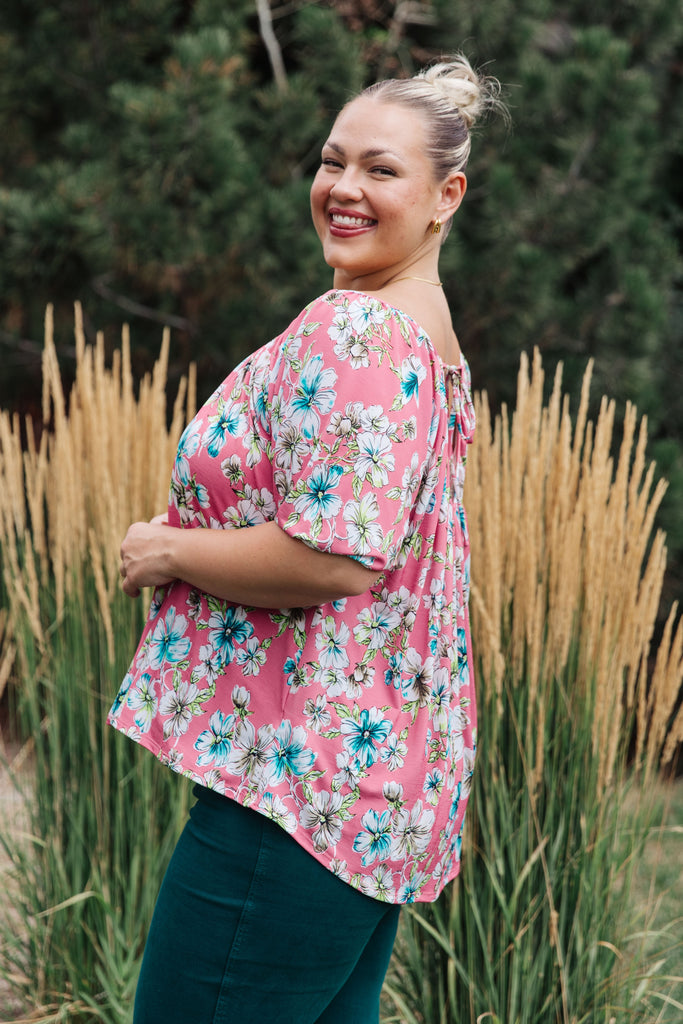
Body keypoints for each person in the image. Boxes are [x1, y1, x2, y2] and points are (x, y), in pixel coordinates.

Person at [110, 53, 501, 1024]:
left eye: (380, 169)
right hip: (359, 799)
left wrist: (168, 551)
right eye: (332, 161)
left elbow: (335, 556)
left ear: (446, 197)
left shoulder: (358, 331)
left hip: (288, 795)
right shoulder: (427, 335)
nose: (343, 188)